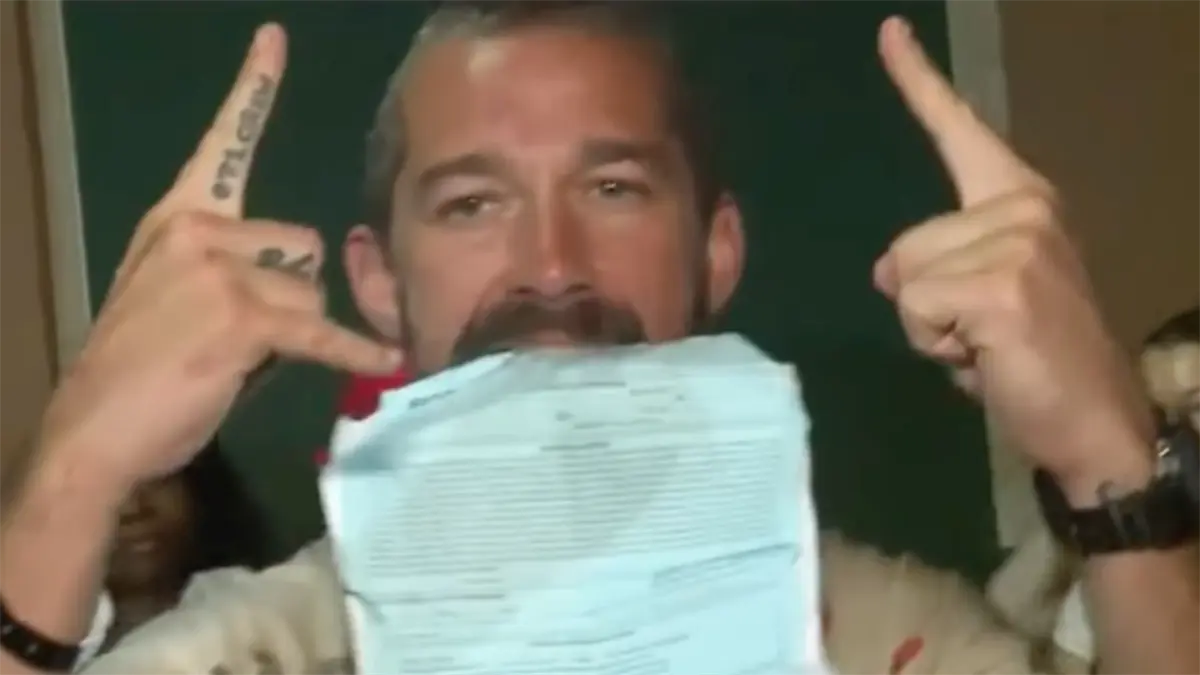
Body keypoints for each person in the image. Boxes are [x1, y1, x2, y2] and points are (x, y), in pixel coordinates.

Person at [1, 2, 1196, 674]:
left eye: (614, 188)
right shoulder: (262, 652)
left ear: (714, 252)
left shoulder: (888, 639)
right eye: (473, 203)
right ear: (376, 282)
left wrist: (1108, 456)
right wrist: (74, 474)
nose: (551, 263)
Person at [989, 303, 1200, 671]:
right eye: (1159, 420)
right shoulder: (1133, 573)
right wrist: (1081, 519)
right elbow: (1005, 614)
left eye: (1196, 405)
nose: (1175, 443)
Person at [83, 436, 273, 659]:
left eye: (157, 478)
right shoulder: (57, 654)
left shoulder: (267, 619)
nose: (133, 509)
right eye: (100, 489)